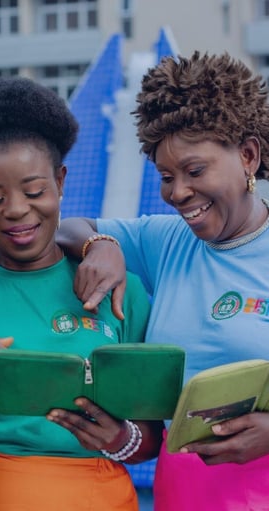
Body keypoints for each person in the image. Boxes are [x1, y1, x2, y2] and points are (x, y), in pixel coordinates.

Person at [0, 76, 163, 511]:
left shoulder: (121, 290)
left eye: (34, 191)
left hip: (99, 497)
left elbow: (150, 439)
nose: (16, 210)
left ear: (61, 182)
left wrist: (120, 438)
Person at [56, 51, 269, 510]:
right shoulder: (165, 240)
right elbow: (68, 228)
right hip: (184, 486)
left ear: (248, 156)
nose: (177, 193)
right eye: (166, 176)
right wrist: (102, 244)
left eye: (194, 171)